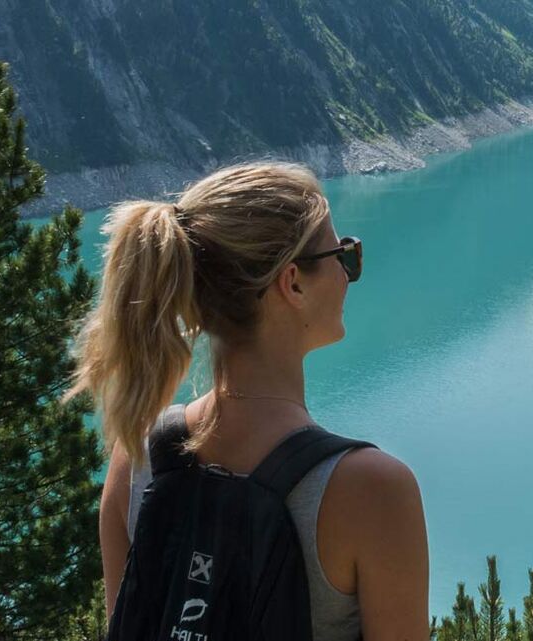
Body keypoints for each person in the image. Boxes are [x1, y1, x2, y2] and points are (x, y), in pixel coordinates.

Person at [70, 162, 428, 640]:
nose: (348, 272)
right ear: (293, 282)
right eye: (343, 254)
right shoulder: (373, 489)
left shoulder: (136, 457)